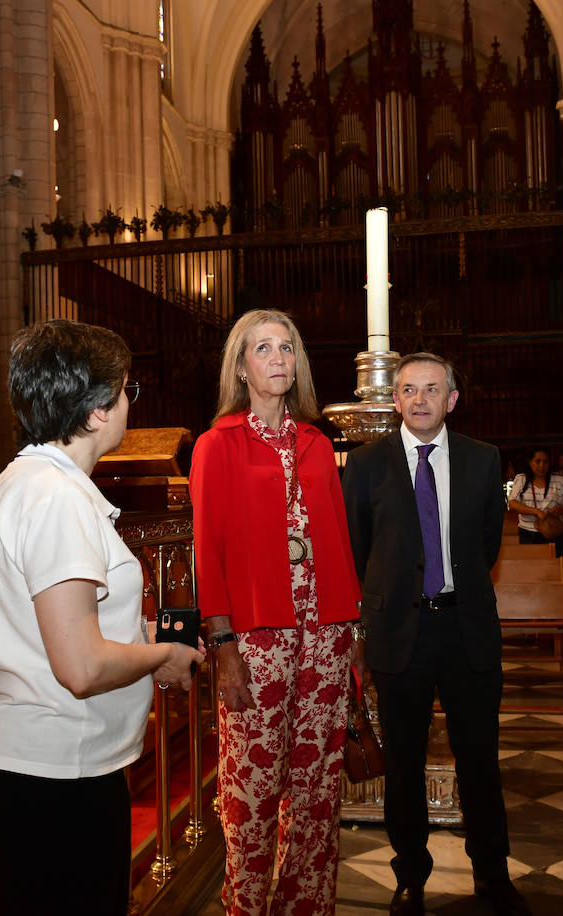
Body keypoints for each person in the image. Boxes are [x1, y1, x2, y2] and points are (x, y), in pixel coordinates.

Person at [0, 319, 204, 916]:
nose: (127, 404)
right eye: (125, 391)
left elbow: (58, 633)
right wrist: (165, 655)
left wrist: (140, 636)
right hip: (51, 780)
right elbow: (82, 666)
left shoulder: (28, 482)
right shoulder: (56, 499)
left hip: (34, 773)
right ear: (95, 412)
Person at [342, 353, 530, 916]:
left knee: (480, 762)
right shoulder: (366, 464)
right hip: (400, 633)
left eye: (431, 389)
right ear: (395, 399)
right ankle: (410, 876)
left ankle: (492, 877)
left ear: (452, 399)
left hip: (466, 627)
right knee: (403, 763)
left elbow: (484, 548)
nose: (419, 400)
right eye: (407, 390)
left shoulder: (481, 459)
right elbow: (358, 548)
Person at [190, 308, 363, 915]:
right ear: (242, 366)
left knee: (317, 792)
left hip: (327, 637)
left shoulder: (317, 443)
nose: (279, 359)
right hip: (255, 639)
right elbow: (207, 551)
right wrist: (223, 645)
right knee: (253, 791)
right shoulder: (216, 446)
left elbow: (338, 543)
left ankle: (307, 909)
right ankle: (247, 906)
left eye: (287, 348)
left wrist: (352, 637)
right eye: (264, 349)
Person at [506, 449, 563, 554]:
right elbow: (512, 503)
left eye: (545, 462)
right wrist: (536, 512)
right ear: (530, 462)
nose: (542, 465)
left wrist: (561, 509)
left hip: (553, 531)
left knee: (554, 566)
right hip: (528, 533)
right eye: (538, 461)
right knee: (531, 566)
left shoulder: (558, 479)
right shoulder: (521, 479)